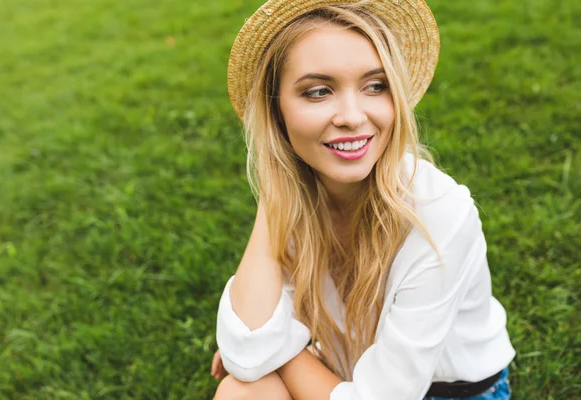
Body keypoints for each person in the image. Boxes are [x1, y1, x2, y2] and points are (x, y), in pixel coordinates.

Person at [211, 0, 516, 399]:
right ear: (277, 112)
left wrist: (282, 354)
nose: (352, 116)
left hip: (448, 393)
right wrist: (275, 191)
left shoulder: (439, 212)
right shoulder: (300, 194)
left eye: (375, 85)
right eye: (318, 92)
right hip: (349, 369)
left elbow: (254, 349)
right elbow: (245, 358)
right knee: (243, 389)